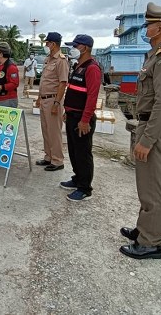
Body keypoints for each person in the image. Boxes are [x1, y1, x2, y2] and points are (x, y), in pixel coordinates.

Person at [120, 2, 161, 260]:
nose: (146, 28)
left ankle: (152, 243)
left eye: (148, 24)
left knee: (154, 187)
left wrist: (146, 140)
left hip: (158, 127)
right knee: (146, 185)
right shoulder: (157, 53)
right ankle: (144, 229)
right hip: (151, 124)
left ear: (159, 28)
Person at [61, 35, 102, 201]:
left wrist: (85, 120)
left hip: (81, 118)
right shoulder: (78, 66)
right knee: (74, 151)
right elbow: (73, 90)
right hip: (72, 115)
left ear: (84, 48)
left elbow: (92, 97)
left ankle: (85, 188)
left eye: (75, 46)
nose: (72, 49)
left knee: (83, 153)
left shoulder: (92, 68)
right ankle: (77, 178)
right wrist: (67, 110)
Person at [35, 32, 70, 171]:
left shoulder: (61, 61)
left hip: (53, 100)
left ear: (53, 44)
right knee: (46, 130)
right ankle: (48, 156)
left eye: (47, 43)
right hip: (44, 99)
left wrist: (56, 103)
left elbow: (63, 83)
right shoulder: (48, 59)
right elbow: (44, 81)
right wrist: (39, 97)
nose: (46, 45)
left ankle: (57, 161)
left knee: (54, 131)